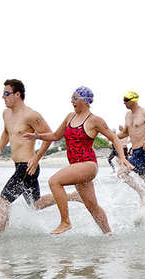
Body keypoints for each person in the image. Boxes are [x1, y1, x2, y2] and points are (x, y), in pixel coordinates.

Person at [24, 86, 133, 234]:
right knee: (92, 207)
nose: (72, 101)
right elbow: (56, 136)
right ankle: (108, 234)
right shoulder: (70, 117)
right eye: (71, 98)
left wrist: (122, 158)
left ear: (86, 101)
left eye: (75, 98)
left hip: (88, 165)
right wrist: (38, 136)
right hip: (77, 167)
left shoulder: (94, 120)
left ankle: (65, 222)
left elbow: (113, 137)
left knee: (54, 181)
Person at [0, 79, 83, 236]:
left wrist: (36, 158)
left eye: (6, 93)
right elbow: (6, 132)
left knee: (2, 201)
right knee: (35, 204)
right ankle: (72, 196)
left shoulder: (31, 115)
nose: (3, 97)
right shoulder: (6, 114)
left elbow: (50, 136)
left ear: (17, 94)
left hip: (28, 166)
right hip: (20, 166)